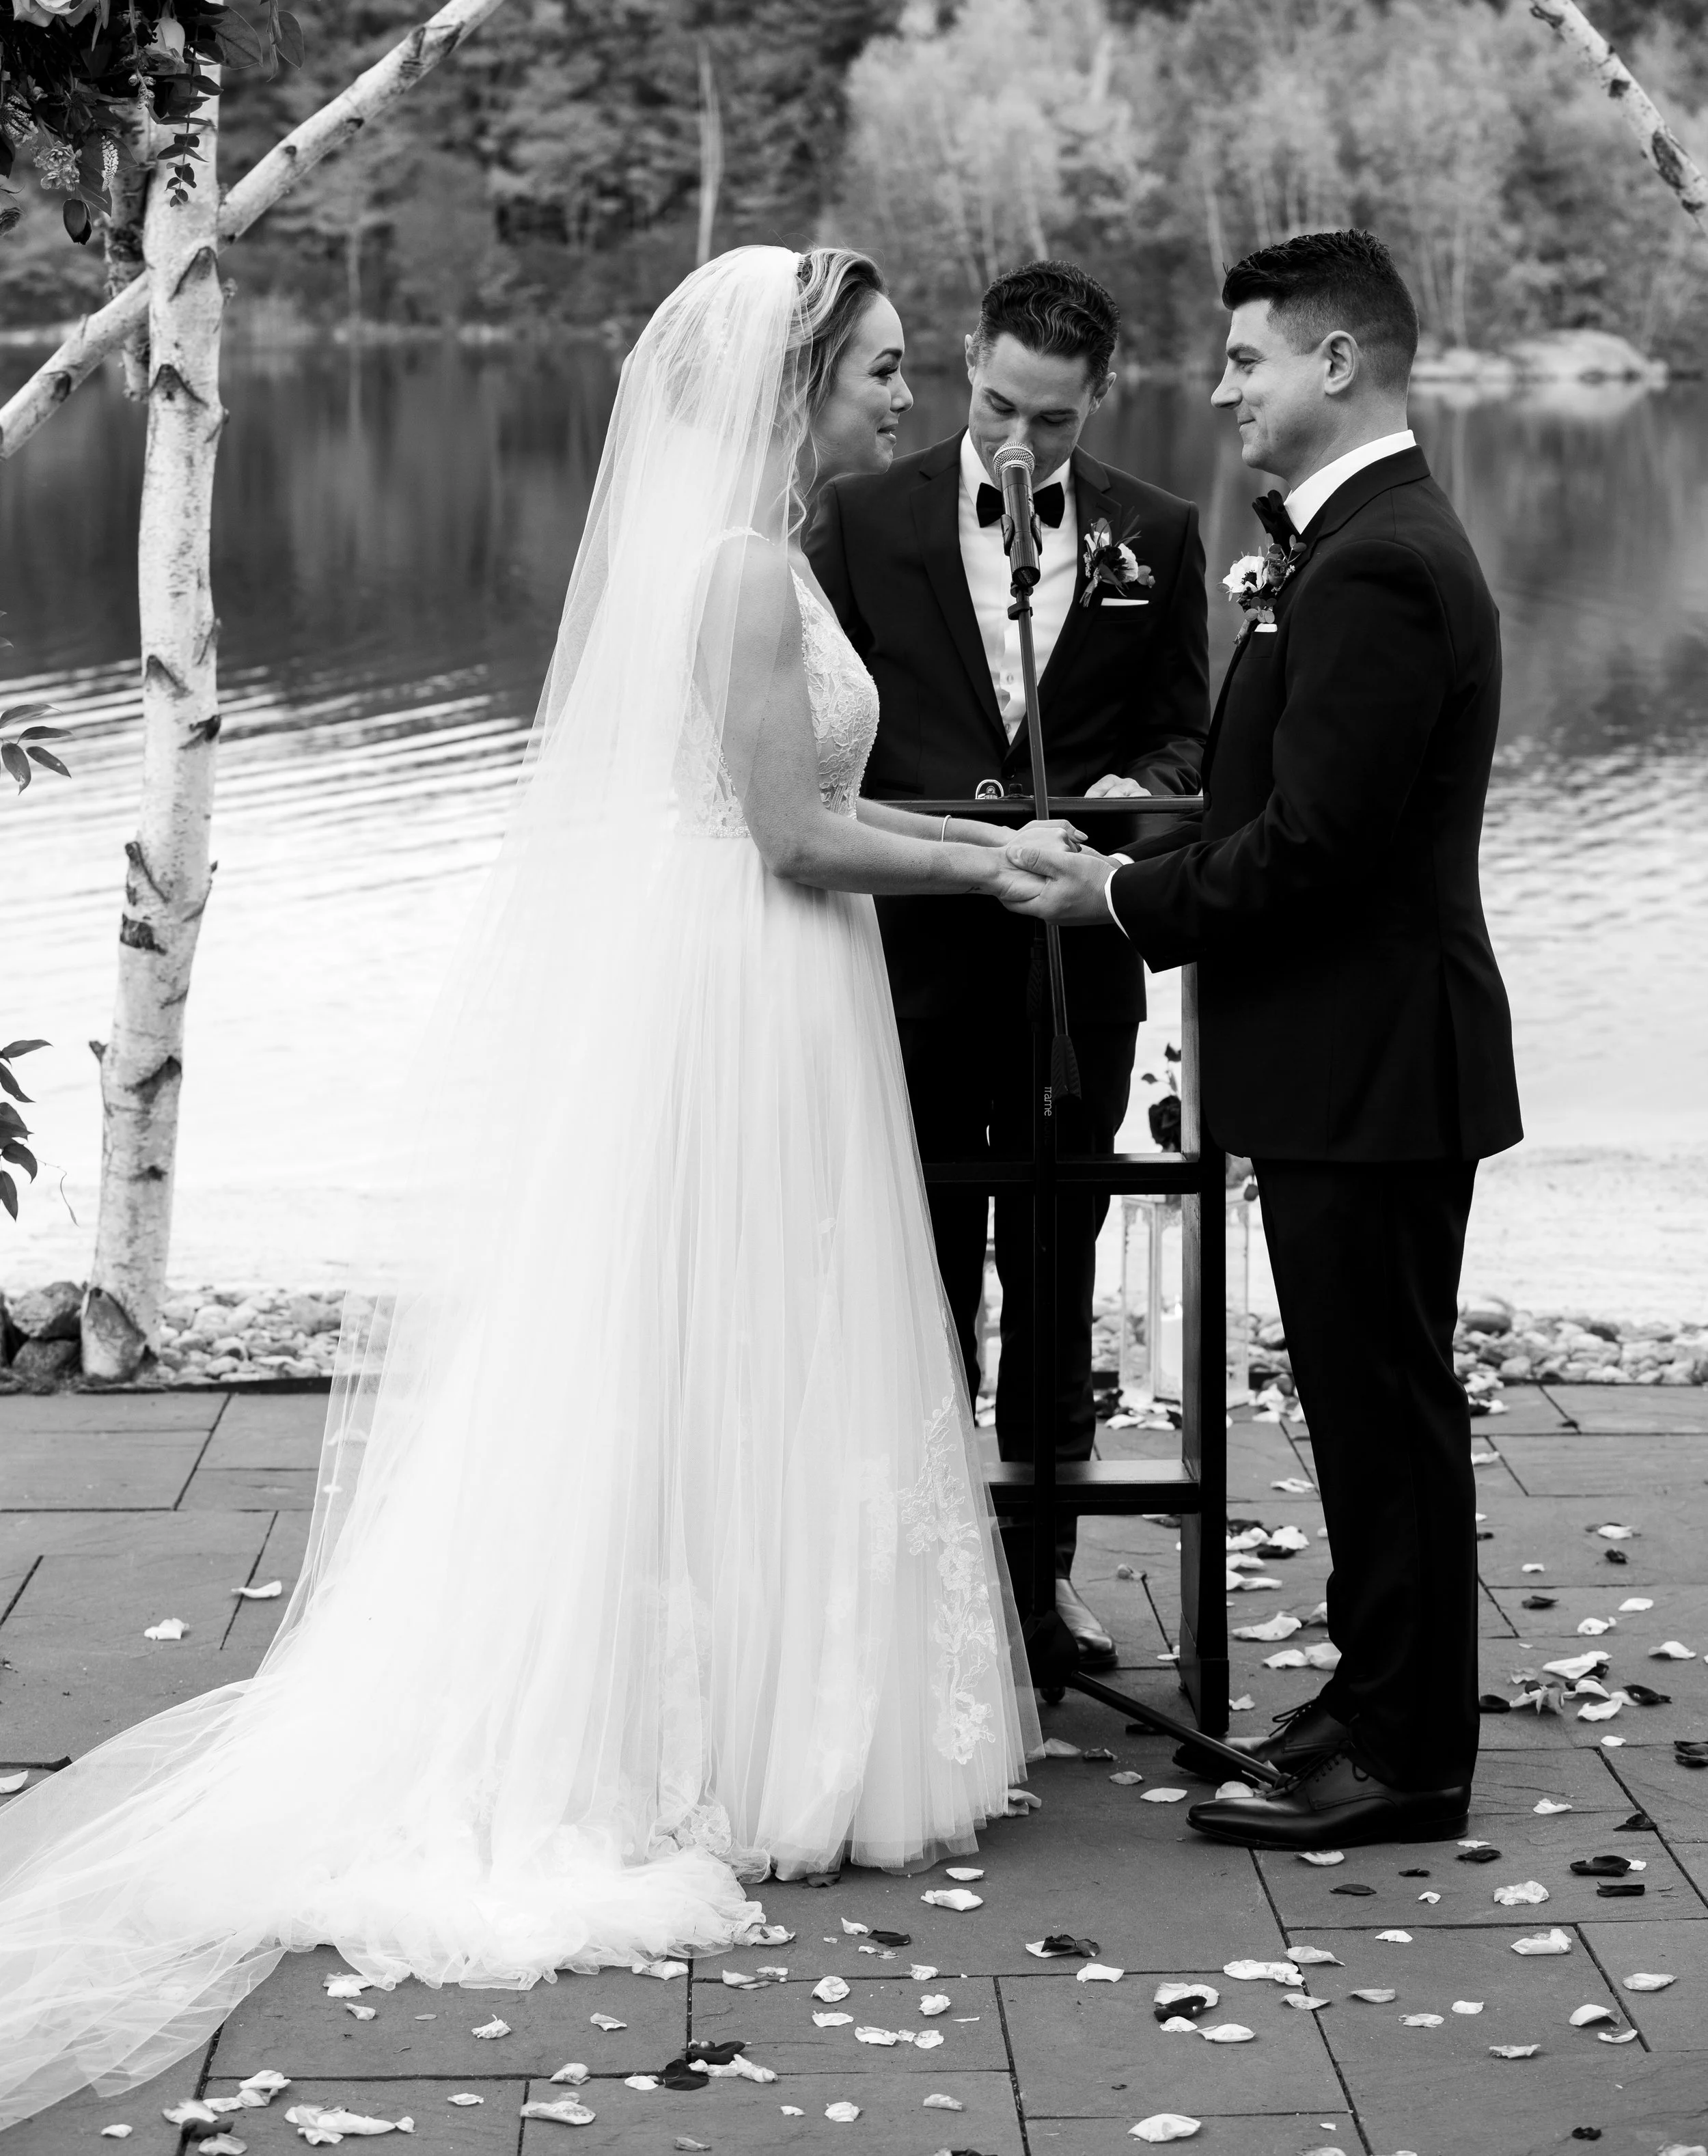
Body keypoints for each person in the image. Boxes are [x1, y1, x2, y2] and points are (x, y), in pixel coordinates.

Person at [0, 246, 1045, 2131]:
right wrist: (991, 870)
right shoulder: (737, 570)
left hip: (761, 984)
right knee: (725, 1343)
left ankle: (769, 1707)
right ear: (797, 379)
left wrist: (980, 844)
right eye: (886, 368)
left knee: (757, 1344)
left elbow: (786, 813)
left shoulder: (761, 553)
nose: (914, 395)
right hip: (741, 988)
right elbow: (793, 836)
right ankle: (713, 1737)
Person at [1006, 229, 1521, 1847]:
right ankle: (1374, 1700)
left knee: (1385, 1407)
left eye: (1242, 360)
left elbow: (1315, 847)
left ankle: (1409, 1757)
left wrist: (1116, 901)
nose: (1217, 387)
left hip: (1374, 1059)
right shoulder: (1347, 541)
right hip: (1344, 1058)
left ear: (1334, 364)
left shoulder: (1376, 561)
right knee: (1367, 1400)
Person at [809, 260, 1207, 1661]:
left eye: (1048, 417)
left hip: (1070, 976)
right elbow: (825, 727)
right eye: (991, 405)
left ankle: (1036, 1588)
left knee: (1054, 1268)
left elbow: (1184, 743)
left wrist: (1103, 803)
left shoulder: (1153, 535)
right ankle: (921, 1590)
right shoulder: (854, 519)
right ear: (965, 363)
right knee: (917, 1269)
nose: (1014, 442)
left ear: (1097, 399)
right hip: (903, 960)